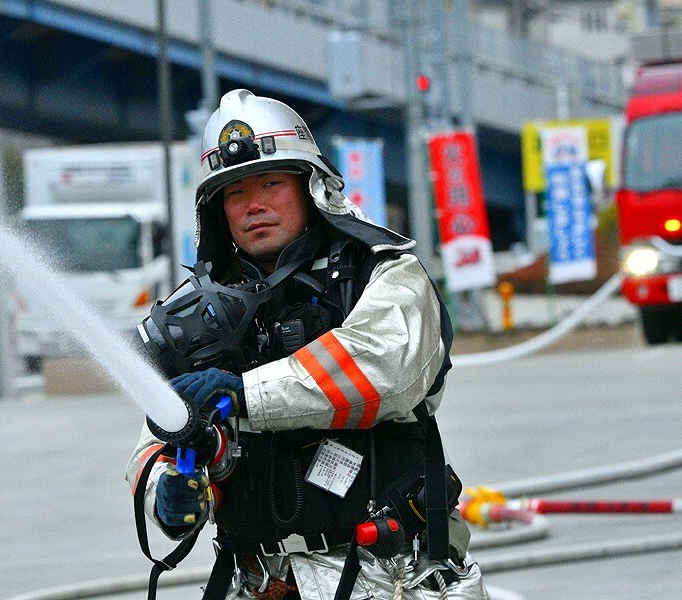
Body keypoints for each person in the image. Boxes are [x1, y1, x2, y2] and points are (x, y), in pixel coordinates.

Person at [126, 89, 489, 599]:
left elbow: (382, 371)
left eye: (271, 183)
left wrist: (243, 394)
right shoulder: (205, 317)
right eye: (234, 194)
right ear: (217, 211)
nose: (253, 205)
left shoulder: (386, 274)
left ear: (310, 186)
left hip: (391, 581)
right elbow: (156, 439)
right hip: (258, 584)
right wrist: (168, 487)